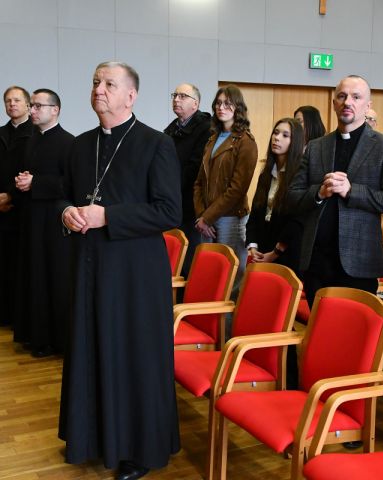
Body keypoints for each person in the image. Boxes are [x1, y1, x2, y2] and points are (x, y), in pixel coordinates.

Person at [58, 62, 181, 480]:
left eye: (110, 84)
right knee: (91, 348)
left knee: (133, 356)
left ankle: (137, 450)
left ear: (131, 96)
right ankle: (92, 437)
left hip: (135, 276)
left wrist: (108, 216)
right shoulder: (80, 145)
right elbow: (63, 195)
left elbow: (169, 211)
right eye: (96, 82)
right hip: (89, 267)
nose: (99, 89)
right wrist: (67, 212)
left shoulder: (156, 143)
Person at [287, 75, 383, 307]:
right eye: (342, 96)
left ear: (368, 105)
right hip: (316, 261)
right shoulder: (316, 147)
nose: (347, 102)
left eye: (356, 97)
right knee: (319, 327)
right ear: (334, 103)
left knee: (352, 329)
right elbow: (292, 197)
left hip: (359, 263)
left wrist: (352, 191)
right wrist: (319, 192)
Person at [13, 89, 74, 357]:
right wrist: (22, 181)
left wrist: (35, 182)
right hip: (31, 219)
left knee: (50, 279)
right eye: (32, 105)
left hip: (53, 223)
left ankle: (51, 341)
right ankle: (32, 335)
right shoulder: (32, 140)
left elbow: (70, 184)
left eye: (38, 106)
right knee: (32, 276)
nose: (33, 110)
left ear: (55, 110)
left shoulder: (69, 143)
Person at [193, 84, 258, 294]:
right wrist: (202, 216)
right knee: (210, 274)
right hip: (206, 219)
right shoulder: (212, 139)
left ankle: (231, 317)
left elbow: (237, 189)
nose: (221, 107)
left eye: (228, 104)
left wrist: (208, 217)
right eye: (218, 103)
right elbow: (199, 182)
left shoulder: (246, 142)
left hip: (231, 217)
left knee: (232, 278)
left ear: (238, 107)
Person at [246, 117, 304, 273]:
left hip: (286, 253)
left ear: (295, 142)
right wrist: (253, 247)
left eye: (285, 135)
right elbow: (255, 213)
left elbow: (296, 223)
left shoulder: (299, 176)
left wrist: (274, 253)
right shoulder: (266, 173)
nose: (277, 138)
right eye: (276, 133)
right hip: (262, 248)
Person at [164, 83, 211, 273]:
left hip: (190, 203)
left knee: (187, 260)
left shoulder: (205, 128)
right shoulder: (171, 129)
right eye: (175, 95)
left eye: (183, 96)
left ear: (195, 104)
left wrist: (169, 189)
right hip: (171, 200)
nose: (176, 99)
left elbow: (194, 168)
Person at [0, 86, 33, 326]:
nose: (12, 104)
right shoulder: (1, 133)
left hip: (22, 209)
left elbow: (32, 172)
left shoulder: (34, 134)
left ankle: (19, 317)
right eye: (8, 101)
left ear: (28, 105)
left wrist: (10, 196)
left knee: (21, 265)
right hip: (0, 209)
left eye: (17, 100)